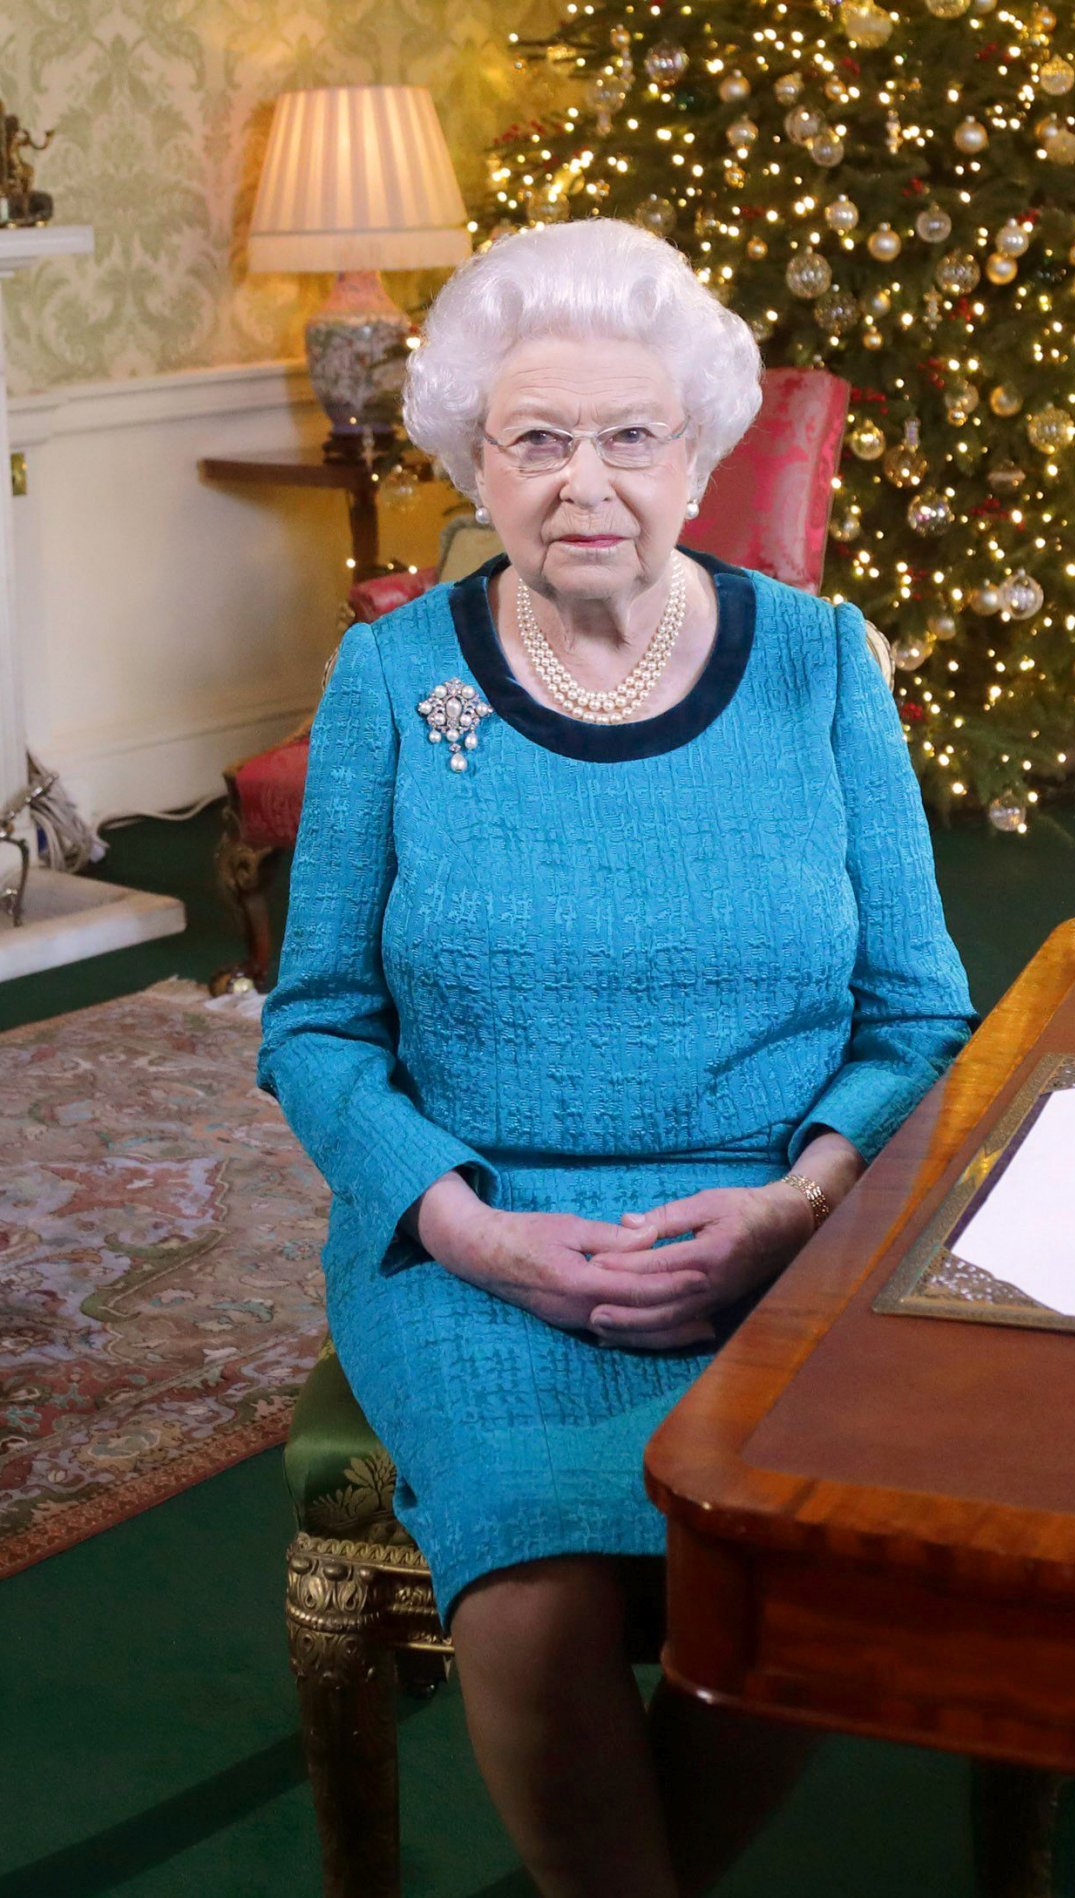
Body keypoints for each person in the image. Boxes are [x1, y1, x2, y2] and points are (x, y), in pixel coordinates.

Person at [257, 216, 977, 1897]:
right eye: (538, 439)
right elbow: (317, 1023)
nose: (586, 482)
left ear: (699, 455)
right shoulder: (392, 677)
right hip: (479, 1244)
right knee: (534, 1585)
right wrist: (465, 1225)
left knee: (817, 1556)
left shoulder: (819, 663)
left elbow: (921, 1014)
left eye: (631, 435)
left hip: (778, 1235)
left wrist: (795, 1210)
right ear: (477, 461)